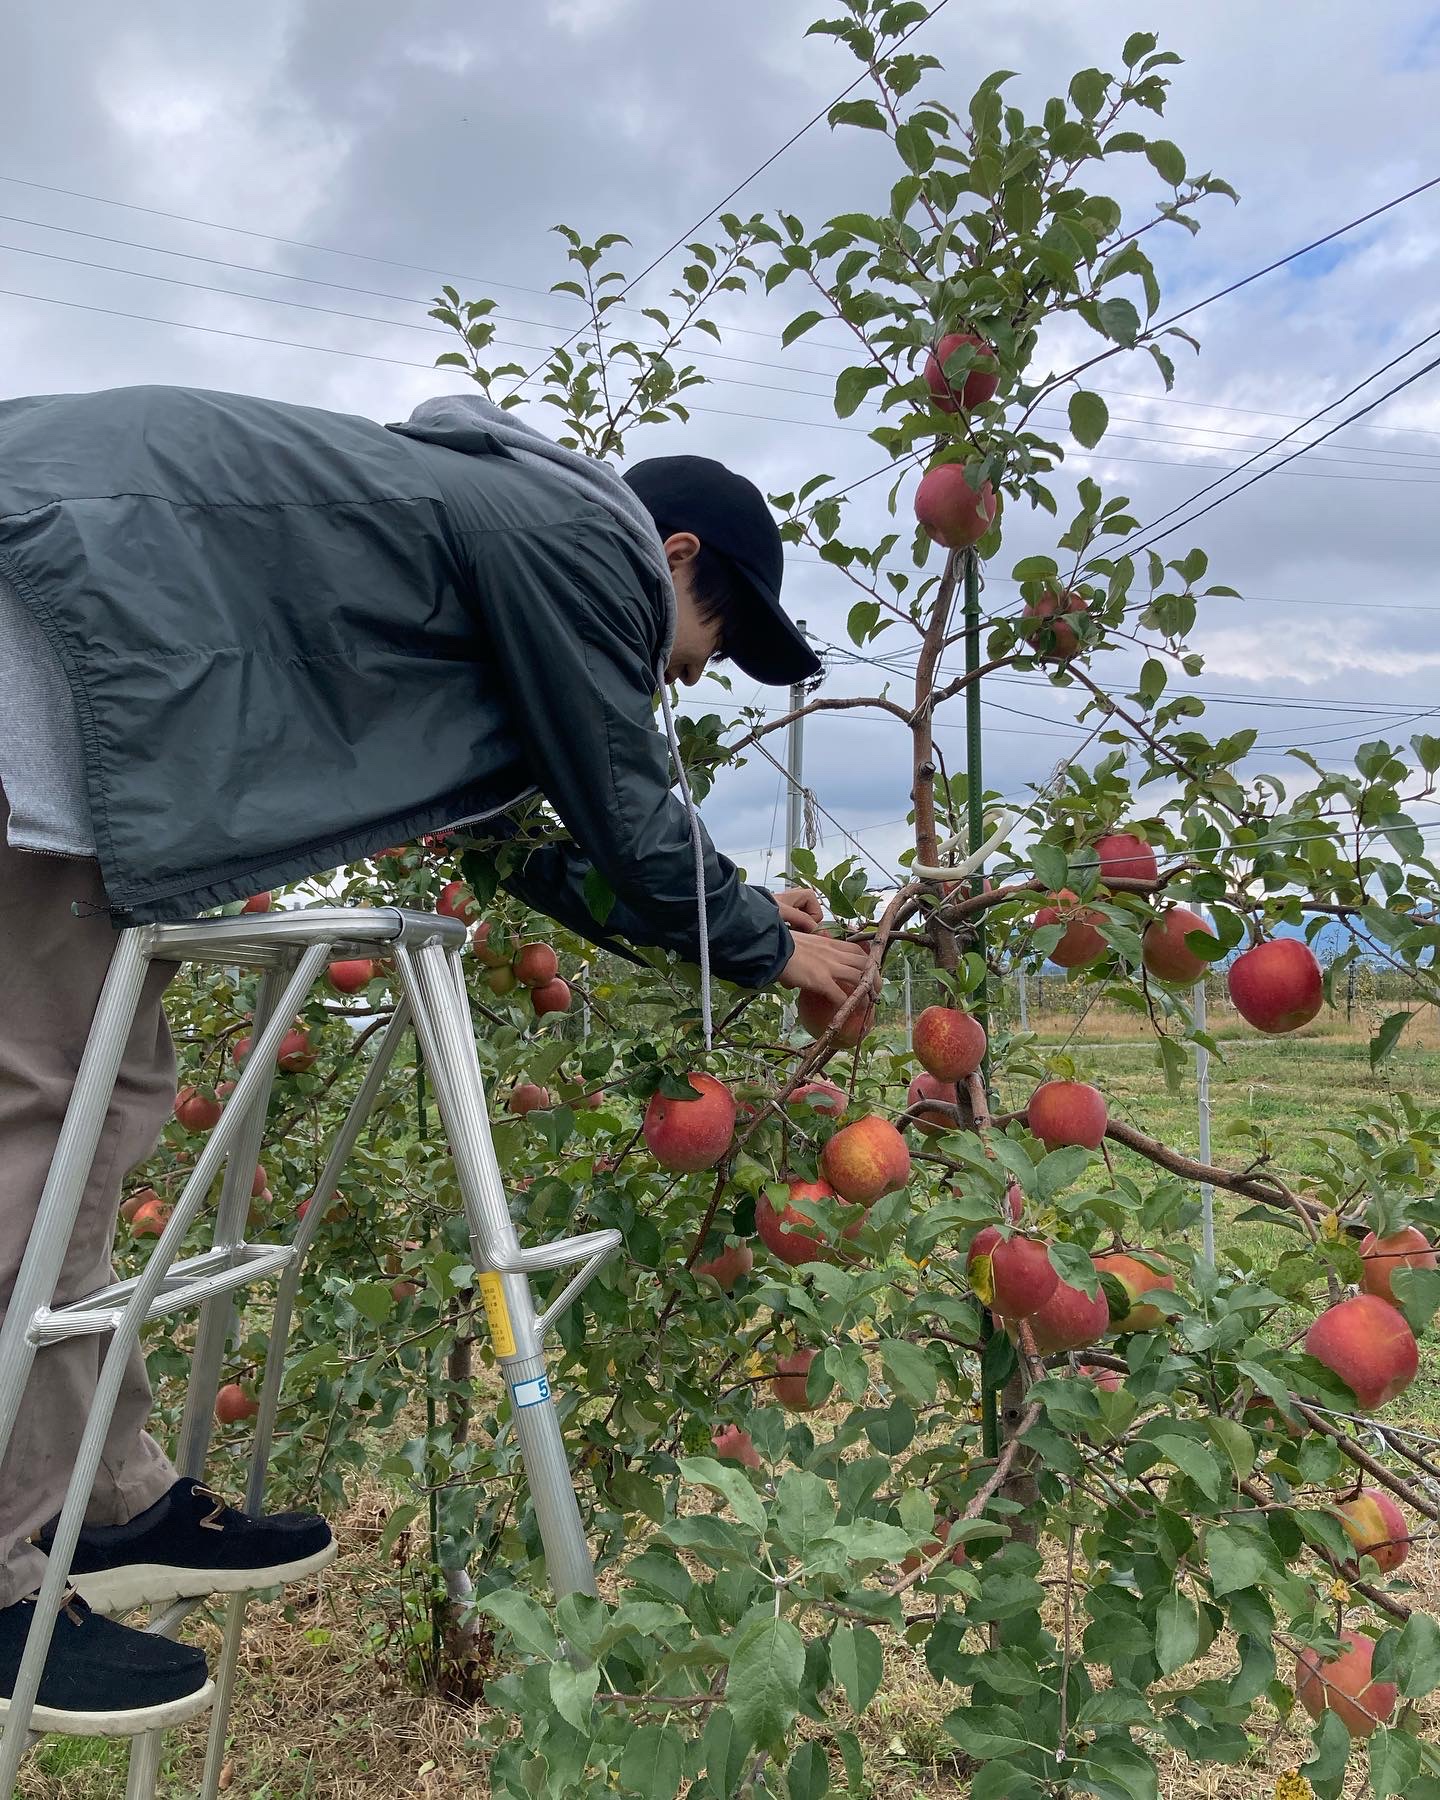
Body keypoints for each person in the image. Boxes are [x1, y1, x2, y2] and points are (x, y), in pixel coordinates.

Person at [0, 385, 871, 1733]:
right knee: (42, 1126)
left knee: (106, 1105)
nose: (690, 672)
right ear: (675, 556)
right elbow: (631, 811)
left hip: (99, 680)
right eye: (714, 638)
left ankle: (98, 1506)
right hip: (57, 655)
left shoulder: (485, 539)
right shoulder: (579, 532)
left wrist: (737, 921)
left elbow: (522, 842)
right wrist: (757, 942)